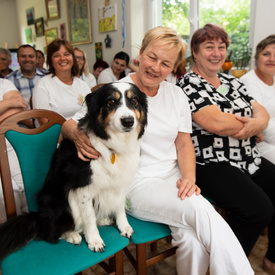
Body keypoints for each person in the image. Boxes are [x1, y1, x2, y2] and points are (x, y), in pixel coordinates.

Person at [61, 26, 253, 275]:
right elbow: (67, 124)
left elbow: (183, 143)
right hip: (136, 185)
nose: (155, 67)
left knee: (193, 240)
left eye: (166, 63)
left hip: (173, 180)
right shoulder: (116, 90)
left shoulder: (176, 95)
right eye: (152, 57)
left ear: (174, 67)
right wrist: (77, 135)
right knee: (199, 207)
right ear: (140, 54)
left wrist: (189, 178)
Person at [177, 23, 275, 274]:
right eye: (209, 46)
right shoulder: (188, 83)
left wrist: (257, 123)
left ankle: (271, 258)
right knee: (258, 210)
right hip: (210, 161)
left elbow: (261, 113)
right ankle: (227, 266)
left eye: (221, 47)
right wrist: (253, 127)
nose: (216, 53)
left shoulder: (233, 81)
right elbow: (215, 122)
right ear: (195, 51)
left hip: (246, 156)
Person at [32, 39, 90, 127]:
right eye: (56, 55)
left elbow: (90, 113)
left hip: (82, 131)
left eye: (66, 54)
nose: (63, 58)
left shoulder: (83, 85)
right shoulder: (43, 85)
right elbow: (44, 121)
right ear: (50, 61)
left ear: (72, 58)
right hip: (54, 136)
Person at [241, 34, 275, 165]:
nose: (271, 59)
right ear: (256, 58)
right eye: (266, 54)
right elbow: (261, 122)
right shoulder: (248, 82)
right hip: (258, 143)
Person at [0, 78, 29, 223]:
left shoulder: (4, 83)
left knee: (28, 185)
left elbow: (19, 110)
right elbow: (14, 105)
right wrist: (8, 103)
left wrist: (12, 105)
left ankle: (25, 229)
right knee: (3, 195)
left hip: (10, 145)